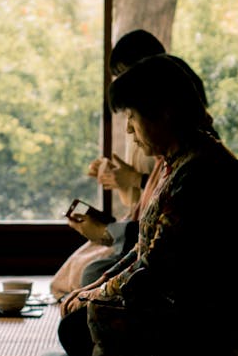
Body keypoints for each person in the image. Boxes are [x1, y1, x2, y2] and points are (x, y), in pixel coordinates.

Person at [58, 54, 238, 356]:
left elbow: (154, 271)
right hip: (175, 301)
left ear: (164, 113)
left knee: (78, 327)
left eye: (132, 116)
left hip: (206, 320)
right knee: (79, 316)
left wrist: (92, 298)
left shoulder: (201, 173)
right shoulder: (182, 161)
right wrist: (94, 288)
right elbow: (142, 248)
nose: (128, 129)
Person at [52, 29, 166, 296]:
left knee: (89, 273)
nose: (128, 129)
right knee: (79, 269)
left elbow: (159, 219)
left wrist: (108, 232)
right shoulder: (149, 128)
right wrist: (115, 174)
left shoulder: (173, 140)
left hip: (148, 243)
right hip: (137, 230)